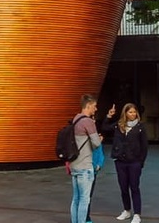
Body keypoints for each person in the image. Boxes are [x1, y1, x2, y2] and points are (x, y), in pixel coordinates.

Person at [106, 103, 148, 223]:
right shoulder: (119, 125)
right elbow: (105, 127)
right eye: (130, 112)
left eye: (134, 112)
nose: (133, 114)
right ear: (125, 113)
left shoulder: (140, 127)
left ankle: (137, 214)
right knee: (123, 187)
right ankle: (127, 210)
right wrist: (109, 116)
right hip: (120, 161)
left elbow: (144, 146)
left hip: (134, 162)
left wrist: (141, 162)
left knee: (134, 187)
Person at [68, 94, 103, 223]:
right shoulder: (87, 122)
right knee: (84, 199)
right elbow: (96, 143)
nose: (96, 109)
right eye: (94, 106)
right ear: (88, 106)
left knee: (76, 199)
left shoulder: (75, 119)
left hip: (74, 165)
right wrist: (99, 138)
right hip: (85, 166)